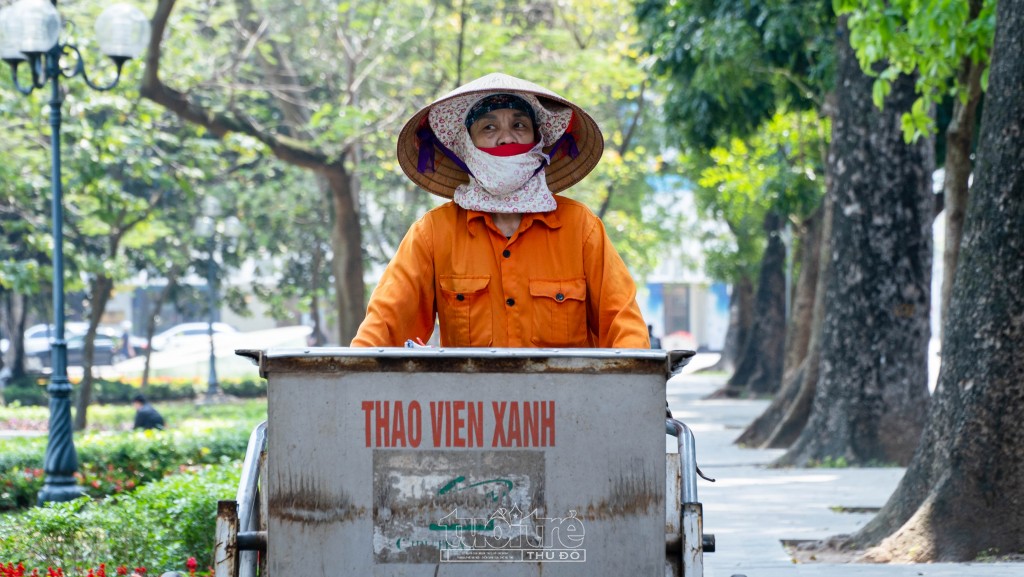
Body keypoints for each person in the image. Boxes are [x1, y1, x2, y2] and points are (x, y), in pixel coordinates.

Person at [352, 73, 649, 348]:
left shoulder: (581, 228)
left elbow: (624, 324)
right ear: (466, 146)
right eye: (489, 127)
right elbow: (383, 326)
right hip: (472, 405)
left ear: (538, 140)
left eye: (519, 125)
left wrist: (636, 382)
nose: (507, 138)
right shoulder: (433, 234)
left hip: (565, 403)